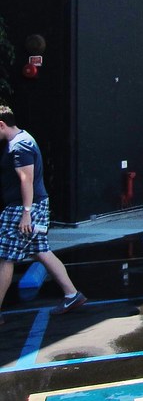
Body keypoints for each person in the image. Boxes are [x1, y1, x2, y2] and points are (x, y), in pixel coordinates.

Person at [0, 105, 87, 324]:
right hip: (31, 206)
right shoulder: (23, 139)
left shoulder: (20, 147)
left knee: (5, 257)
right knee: (41, 251)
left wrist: (26, 213)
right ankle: (71, 295)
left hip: (23, 208)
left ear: (1, 124)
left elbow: (26, 180)